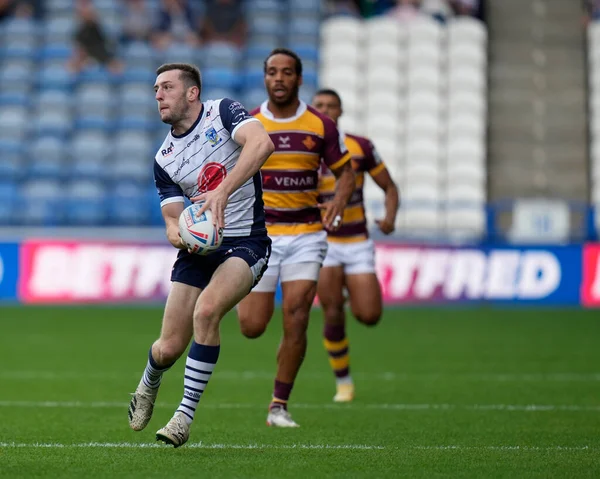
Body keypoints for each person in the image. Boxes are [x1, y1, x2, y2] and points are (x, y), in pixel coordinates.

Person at [128, 63, 274, 448]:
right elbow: (172, 221)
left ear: (192, 93)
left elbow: (262, 144)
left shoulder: (222, 112)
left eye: (167, 87)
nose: (157, 94)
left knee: (207, 311)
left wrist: (223, 190)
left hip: (246, 241)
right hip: (200, 250)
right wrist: (181, 237)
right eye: (155, 88)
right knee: (168, 347)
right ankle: (148, 383)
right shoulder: (164, 158)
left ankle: (183, 417)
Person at [236, 49, 356, 427]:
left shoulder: (320, 125)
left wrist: (338, 199)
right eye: (272, 72)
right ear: (265, 78)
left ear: (299, 79)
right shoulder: (249, 124)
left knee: (298, 315)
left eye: (287, 72)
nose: (280, 78)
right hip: (261, 235)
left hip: (306, 234)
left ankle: (278, 405)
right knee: (252, 326)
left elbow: (346, 172)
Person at [312, 89, 399, 403]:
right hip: (323, 243)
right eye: (319, 106)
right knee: (332, 313)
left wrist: (389, 218)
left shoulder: (360, 147)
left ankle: (351, 289)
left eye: (331, 106)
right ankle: (344, 383)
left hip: (357, 241)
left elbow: (389, 186)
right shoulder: (306, 148)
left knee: (370, 315)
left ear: (341, 110)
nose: (325, 110)